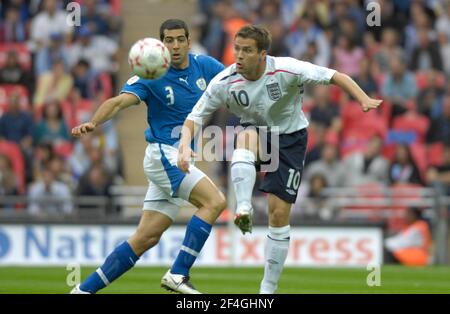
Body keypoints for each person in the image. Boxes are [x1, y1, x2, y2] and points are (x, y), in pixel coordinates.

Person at [178, 25, 382, 294]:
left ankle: (267, 289)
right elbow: (195, 116)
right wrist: (183, 145)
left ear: (263, 54)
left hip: (290, 140)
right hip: (258, 132)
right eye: (237, 49)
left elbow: (335, 75)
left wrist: (363, 98)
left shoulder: (287, 69)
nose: (239, 55)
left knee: (278, 214)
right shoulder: (225, 80)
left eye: (247, 50)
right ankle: (243, 207)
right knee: (245, 138)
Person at [70, 19, 225, 294]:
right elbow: (118, 102)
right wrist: (94, 123)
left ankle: (82, 291)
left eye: (180, 39)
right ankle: (178, 274)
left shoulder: (207, 66)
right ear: (161, 44)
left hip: (179, 158)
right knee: (214, 201)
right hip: (163, 155)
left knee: (145, 238)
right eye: (169, 40)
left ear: (189, 42)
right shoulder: (150, 75)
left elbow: (234, 86)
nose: (175, 45)